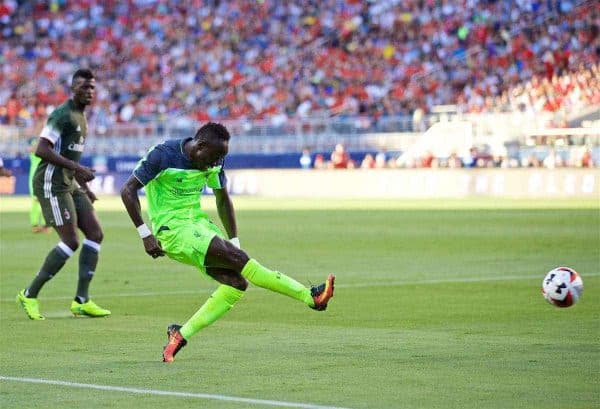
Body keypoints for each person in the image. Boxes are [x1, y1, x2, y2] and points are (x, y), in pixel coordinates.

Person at [120, 122, 335, 363]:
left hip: (199, 226)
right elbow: (128, 190)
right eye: (214, 156)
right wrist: (145, 234)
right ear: (200, 146)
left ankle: (180, 335)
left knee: (237, 283)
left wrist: (234, 241)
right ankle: (310, 297)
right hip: (173, 230)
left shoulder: (214, 160)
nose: (216, 163)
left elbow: (223, 200)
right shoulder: (162, 155)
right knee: (242, 263)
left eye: (221, 157)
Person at [16, 69, 111, 320]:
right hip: (51, 183)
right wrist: (78, 169)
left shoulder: (82, 118)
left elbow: (71, 157)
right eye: (84, 87)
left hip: (69, 182)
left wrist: (86, 189)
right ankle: (29, 294)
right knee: (70, 241)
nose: (89, 91)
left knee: (95, 233)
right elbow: (41, 149)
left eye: (92, 87)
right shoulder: (62, 115)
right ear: (73, 88)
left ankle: (81, 300)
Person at [28, 138, 48, 233]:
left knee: (46, 201)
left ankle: (46, 225)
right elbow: (31, 149)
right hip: (34, 177)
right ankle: (35, 224)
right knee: (36, 201)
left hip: (45, 177)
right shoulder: (35, 145)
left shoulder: (47, 148)